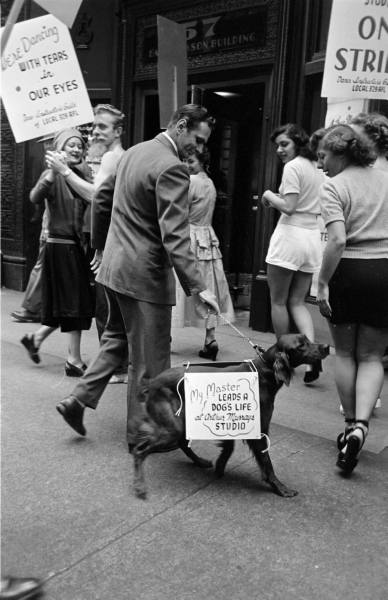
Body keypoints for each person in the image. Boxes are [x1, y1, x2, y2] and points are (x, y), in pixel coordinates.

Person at [56, 104, 220, 446]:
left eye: (204, 145)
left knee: (116, 340)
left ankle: (77, 400)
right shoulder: (173, 168)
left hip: (115, 270)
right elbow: (174, 235)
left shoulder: (132, 153)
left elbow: (101, 198)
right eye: (198, 140)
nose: (200, 149)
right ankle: (143, 431)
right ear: (181, 125)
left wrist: (102, 248)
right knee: (150, 358)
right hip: (144, 278)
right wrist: (198, 286)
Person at [316, 124, 388, 475]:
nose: (321, 164)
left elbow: (338, 241)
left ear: (340, 152)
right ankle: (362, 424)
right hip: (385, 273)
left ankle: (349, 427)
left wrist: (322, 282)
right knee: (372, 355)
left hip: (348, 271)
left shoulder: (334, 186)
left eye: (323, 156)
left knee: (344, 353)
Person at [20, 128, 95, 376]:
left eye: (79, 145)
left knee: (68, 302)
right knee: (74, 302)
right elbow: (34, 196)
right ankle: (73, 359)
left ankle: (36, 339)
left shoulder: (83, 174)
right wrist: (52, 173)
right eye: (70, 145)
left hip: (76, 245)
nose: (75, 149)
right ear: (60, 149)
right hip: (62, 245)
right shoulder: (53, 174)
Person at [261, 123, 325, 383]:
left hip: (290, 236)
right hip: (311, 238)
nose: (279, 149)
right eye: (277, 144)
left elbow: (288, 206)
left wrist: (267, 194)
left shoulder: (293, 167)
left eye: (284, 144)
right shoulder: (317, 167)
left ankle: (281, 357)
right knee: (297, 302)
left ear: (298, 142)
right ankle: (312, 359)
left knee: (278, 301)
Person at [172, 147, 234, 360]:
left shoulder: (192, 182)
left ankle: (166, 336)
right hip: (207, 236)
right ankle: (210, 338)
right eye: (186, 160)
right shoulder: (210, 183)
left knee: (180, 285)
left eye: (191, 161)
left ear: (201, 161)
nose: (187, 165)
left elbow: (179, 210)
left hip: (190, 235)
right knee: (208, 286)